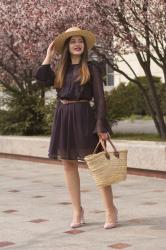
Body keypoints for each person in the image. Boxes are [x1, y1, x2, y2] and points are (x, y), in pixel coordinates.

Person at [35, 27, 118, 229]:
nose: (77, 44)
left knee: (96, 165)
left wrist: (101, 125)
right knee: (68, 164)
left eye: (80, 41)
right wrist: (48, 56)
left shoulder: (92, 67)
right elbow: (41, 79)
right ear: (67, 47)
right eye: (73, 42)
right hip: (63, 117)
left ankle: (110, 210)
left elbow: (100, 99)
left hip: (84, 117)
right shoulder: (61, 69)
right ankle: (77, 211)